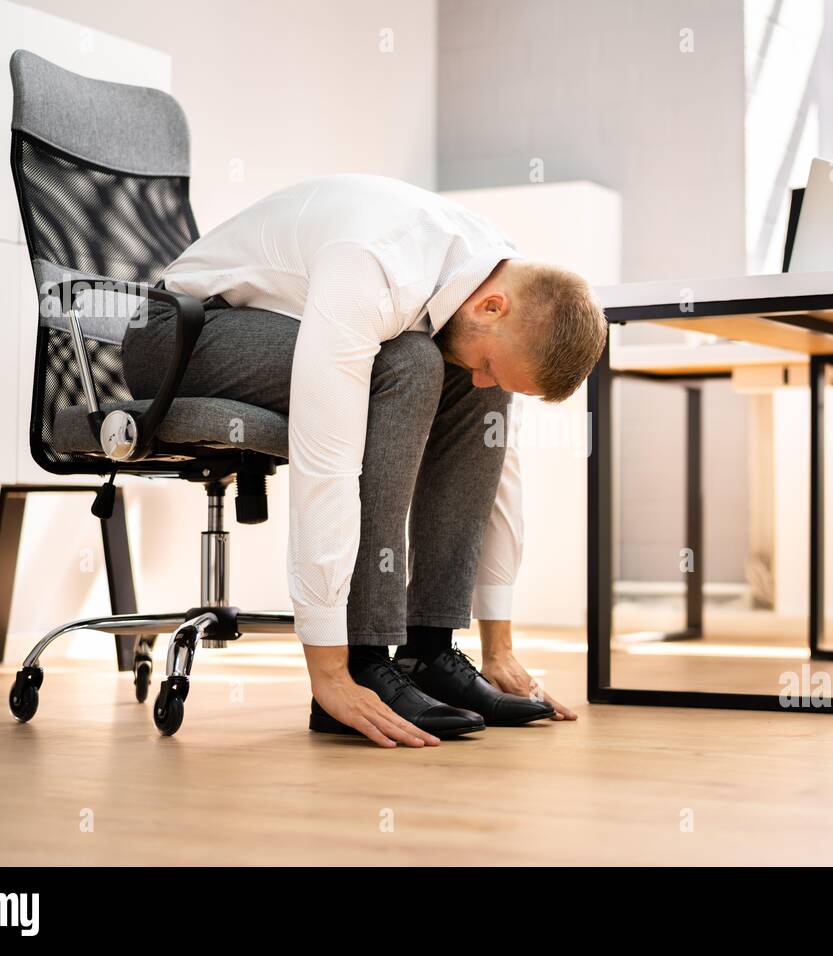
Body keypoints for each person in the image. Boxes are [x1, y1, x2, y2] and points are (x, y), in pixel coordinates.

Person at [121, 173, 607, 748]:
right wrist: (330, 675)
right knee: (410, 363)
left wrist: (499, 648)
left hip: (268, 328)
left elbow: (501, 475)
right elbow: (325, 460)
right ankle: (363, 657)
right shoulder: (375, 265)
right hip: (176, 335)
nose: (481, 376)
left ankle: (429, 652)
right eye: (491, 362)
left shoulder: (493, 278)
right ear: (493, 306)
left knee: (464, 386)